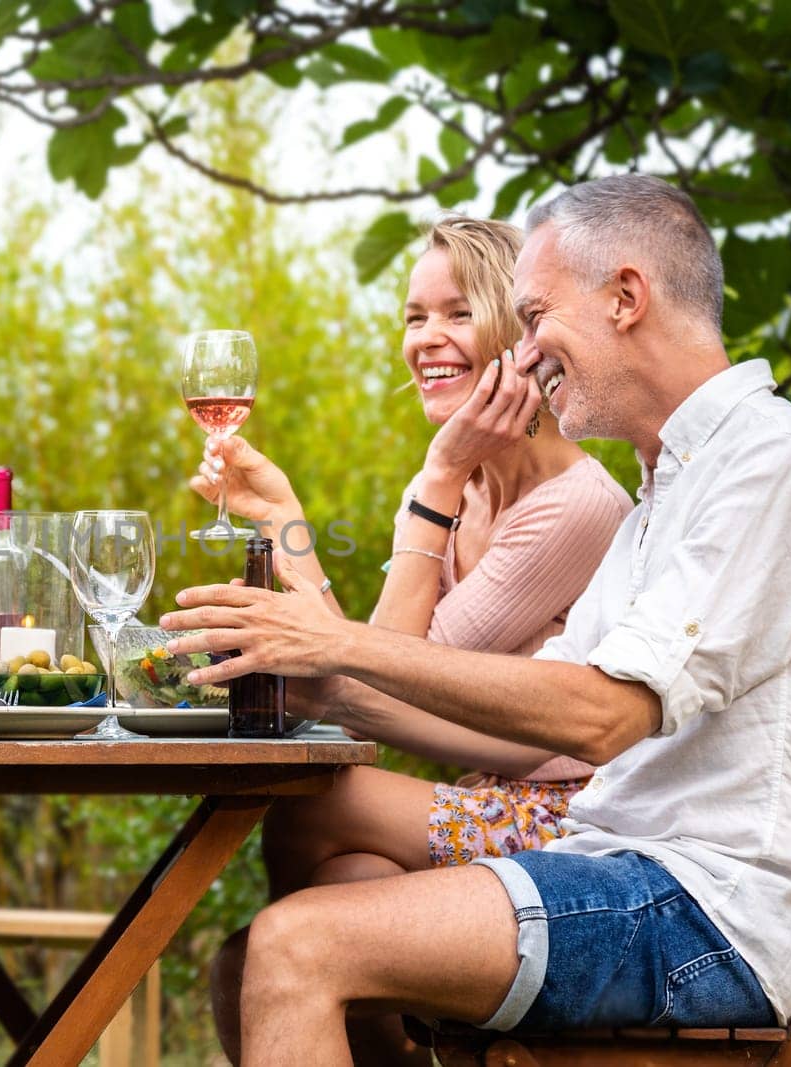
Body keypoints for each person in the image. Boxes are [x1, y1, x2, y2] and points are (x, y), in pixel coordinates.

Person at [164, 174, 791, 1065]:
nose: (528, 350)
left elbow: (602, 716)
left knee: (298, 944)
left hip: (706, 909)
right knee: (280, 934)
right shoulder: (667, 493)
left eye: (534, 314)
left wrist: (337, 647)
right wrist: (332, 673)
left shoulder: (773, 465)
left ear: (625, 297)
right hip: (624, 869)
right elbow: (535, 722)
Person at [190, 217, 631, 1060]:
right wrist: (284, 518)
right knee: (256, 950)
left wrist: (434, 481)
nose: (427, 339)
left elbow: (375, 685)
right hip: (488, 800)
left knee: (319, 805)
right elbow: (360, 662)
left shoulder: (572, 506)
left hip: (576, 828)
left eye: (457, 314)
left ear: (519, 332)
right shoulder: (455, 488)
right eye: (413, 317)